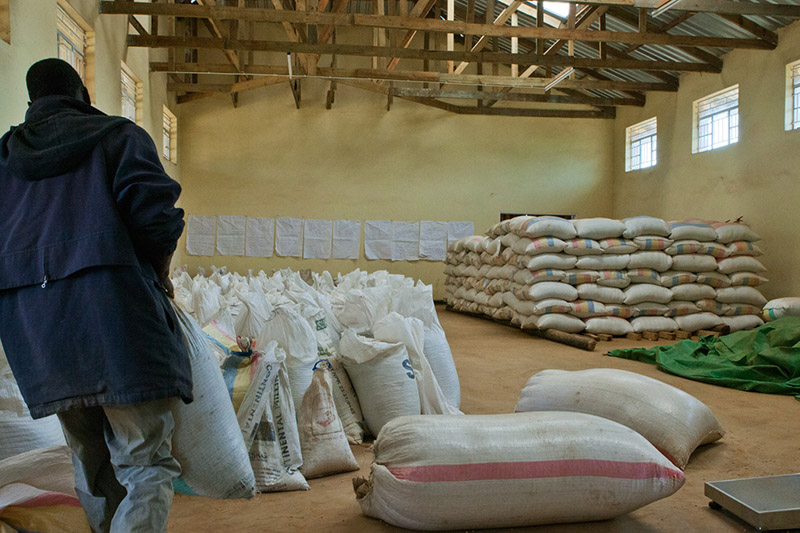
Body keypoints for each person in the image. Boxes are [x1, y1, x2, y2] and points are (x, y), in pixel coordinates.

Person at [0, 58, 193, 533]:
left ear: (31, 104)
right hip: (116, 321)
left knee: (90, 459)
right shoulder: (118, 137)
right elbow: (157, 218)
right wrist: (161, 275)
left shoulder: (5, 159)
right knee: (145, 462)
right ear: (82, 94)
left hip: (39, 337)